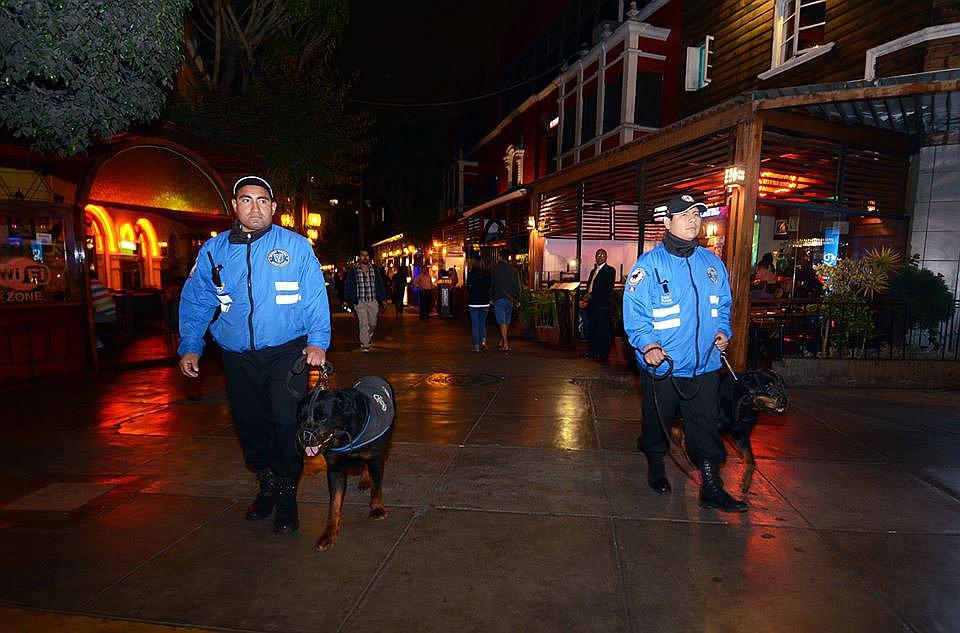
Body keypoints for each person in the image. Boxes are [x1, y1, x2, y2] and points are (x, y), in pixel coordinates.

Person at [178, 176, 330, 535]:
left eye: (263, 201)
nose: (255, 207)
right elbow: (198, 300)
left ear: (274, 208)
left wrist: (318, 340)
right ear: (235, 205)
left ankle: (288, 493)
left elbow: (313, 296)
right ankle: (267, 487)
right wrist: (190, 344)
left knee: (284, 420)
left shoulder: (296, 247)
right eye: (247, 200)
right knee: (249, 424)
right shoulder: (213, 251)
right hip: (235, 354)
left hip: (286, 352)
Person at [623, 192, 747, 513]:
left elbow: (722, 307)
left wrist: (723, 332)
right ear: (667, 222)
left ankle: (710, 484)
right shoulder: (648, 266)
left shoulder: (712, 264)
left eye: (697, 215)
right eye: (686, 215)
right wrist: (647, 344)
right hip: (663, 367)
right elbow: (635, 313)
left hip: (704, 365)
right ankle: (655, 463)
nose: (694, 220)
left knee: (705, 426)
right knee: (657, 422)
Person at [344, 249, 387, 352]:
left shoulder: (375, 270)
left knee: (373, 323)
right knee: (363, 322)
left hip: (373, 300)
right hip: (360, 301)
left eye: (367, 255)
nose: (365, 257)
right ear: (359, 257)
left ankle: (368, 336)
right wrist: (346, 299)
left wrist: (383, 299)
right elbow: (348, 285)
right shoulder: (354, 271)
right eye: (363, 255)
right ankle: (365, 344)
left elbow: (380, 284)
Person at [583, 248, 615, 360]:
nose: (600, 257)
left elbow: (607, 289)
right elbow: (590, 285)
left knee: (603, 330)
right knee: (592, 329)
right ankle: (592, 351)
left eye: (602, 255)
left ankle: (603, 353)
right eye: (598, 255)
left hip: (602, 306)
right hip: (592, 306)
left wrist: (592, 295)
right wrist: (586, 295)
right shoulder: (593, 271)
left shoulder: (610, 270)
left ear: (606, 257)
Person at [490, 251, 521, 351]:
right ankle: (502, 341)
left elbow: (491, 284)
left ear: (499, 257)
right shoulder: (513, 270)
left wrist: (490, 297)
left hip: (498, 298)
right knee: (506, 321)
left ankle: (505, 344)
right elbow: (518, 286)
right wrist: (518, 299)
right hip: (510, 299)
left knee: (501, 321)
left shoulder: (494, 269)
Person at [466, 256, 492, 352]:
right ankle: (484, 342)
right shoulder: (487, 274)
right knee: (482, 323)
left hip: (473, 302)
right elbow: (489, 286)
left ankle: (476, 346)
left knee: (475, 324)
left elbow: (468, 286)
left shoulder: (471, 274)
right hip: (485, 301)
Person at [90, 273, 117, 350]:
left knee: (84, 320)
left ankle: (97, 343)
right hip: (113, 314)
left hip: (106, 316)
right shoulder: (97, 282)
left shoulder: (88, 285)